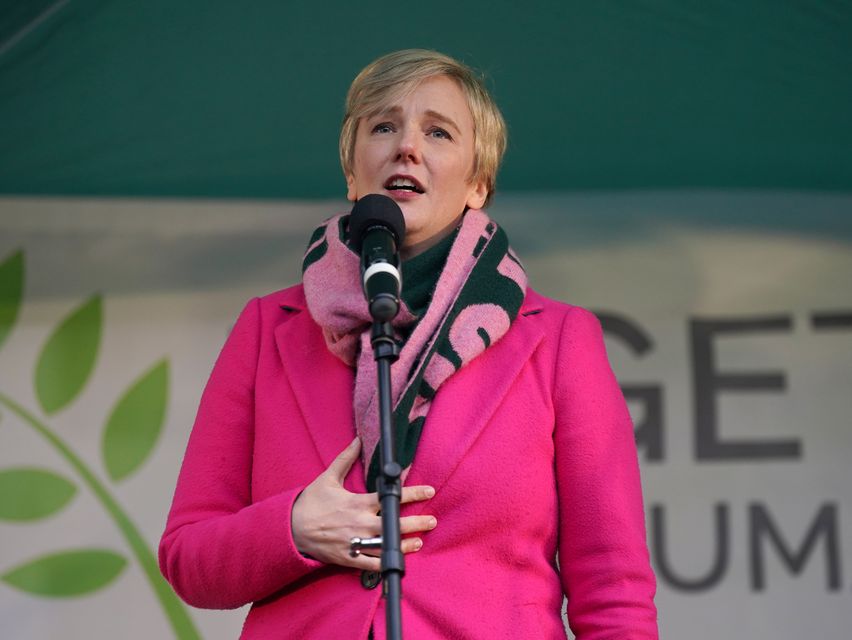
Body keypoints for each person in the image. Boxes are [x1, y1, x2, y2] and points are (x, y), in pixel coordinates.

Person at [158, 49, 658, 639]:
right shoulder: (268, 328)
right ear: (352, 170)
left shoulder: (557, 339)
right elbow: (188, 557)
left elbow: (613, 587)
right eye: (384, 126)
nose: (407, 147)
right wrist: (292, 528)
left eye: (438, 131)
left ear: (478, 183)